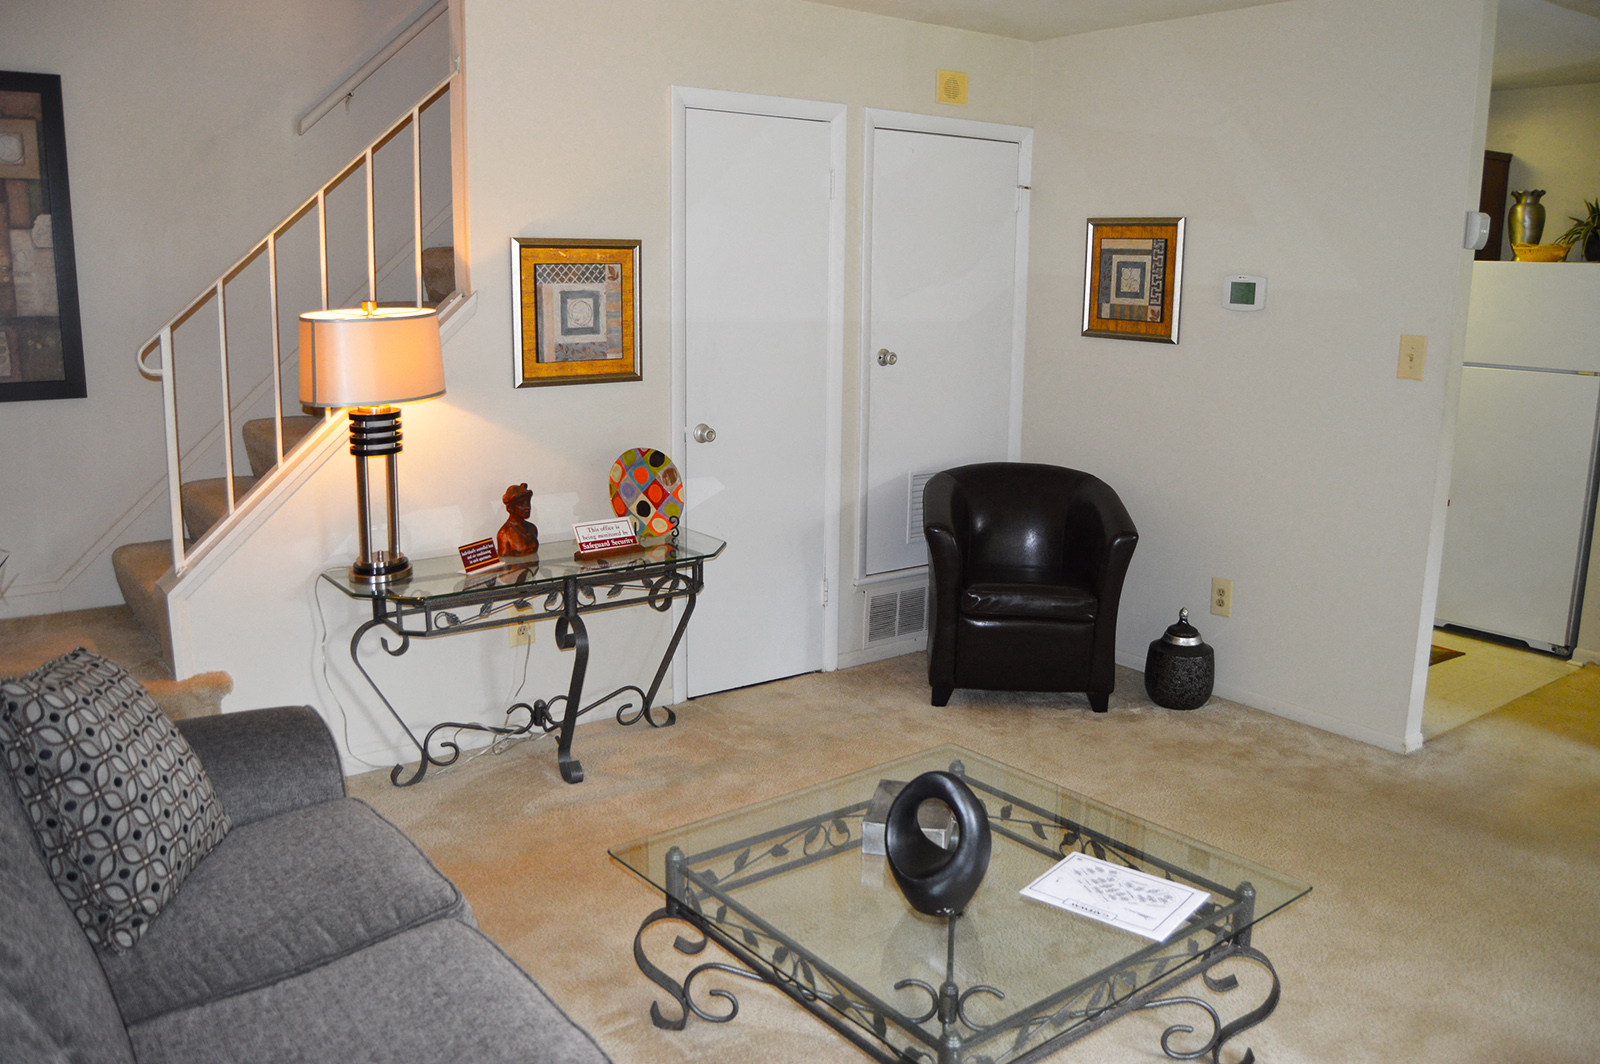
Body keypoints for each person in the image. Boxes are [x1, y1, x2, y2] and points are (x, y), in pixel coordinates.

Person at [496, 483, 539, 557]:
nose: (527, 507)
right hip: (517, 568)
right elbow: (504, 562)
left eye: (528, 502)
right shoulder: (504, 534)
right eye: (521, 503)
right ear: (510, 508)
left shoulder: (532, 528)